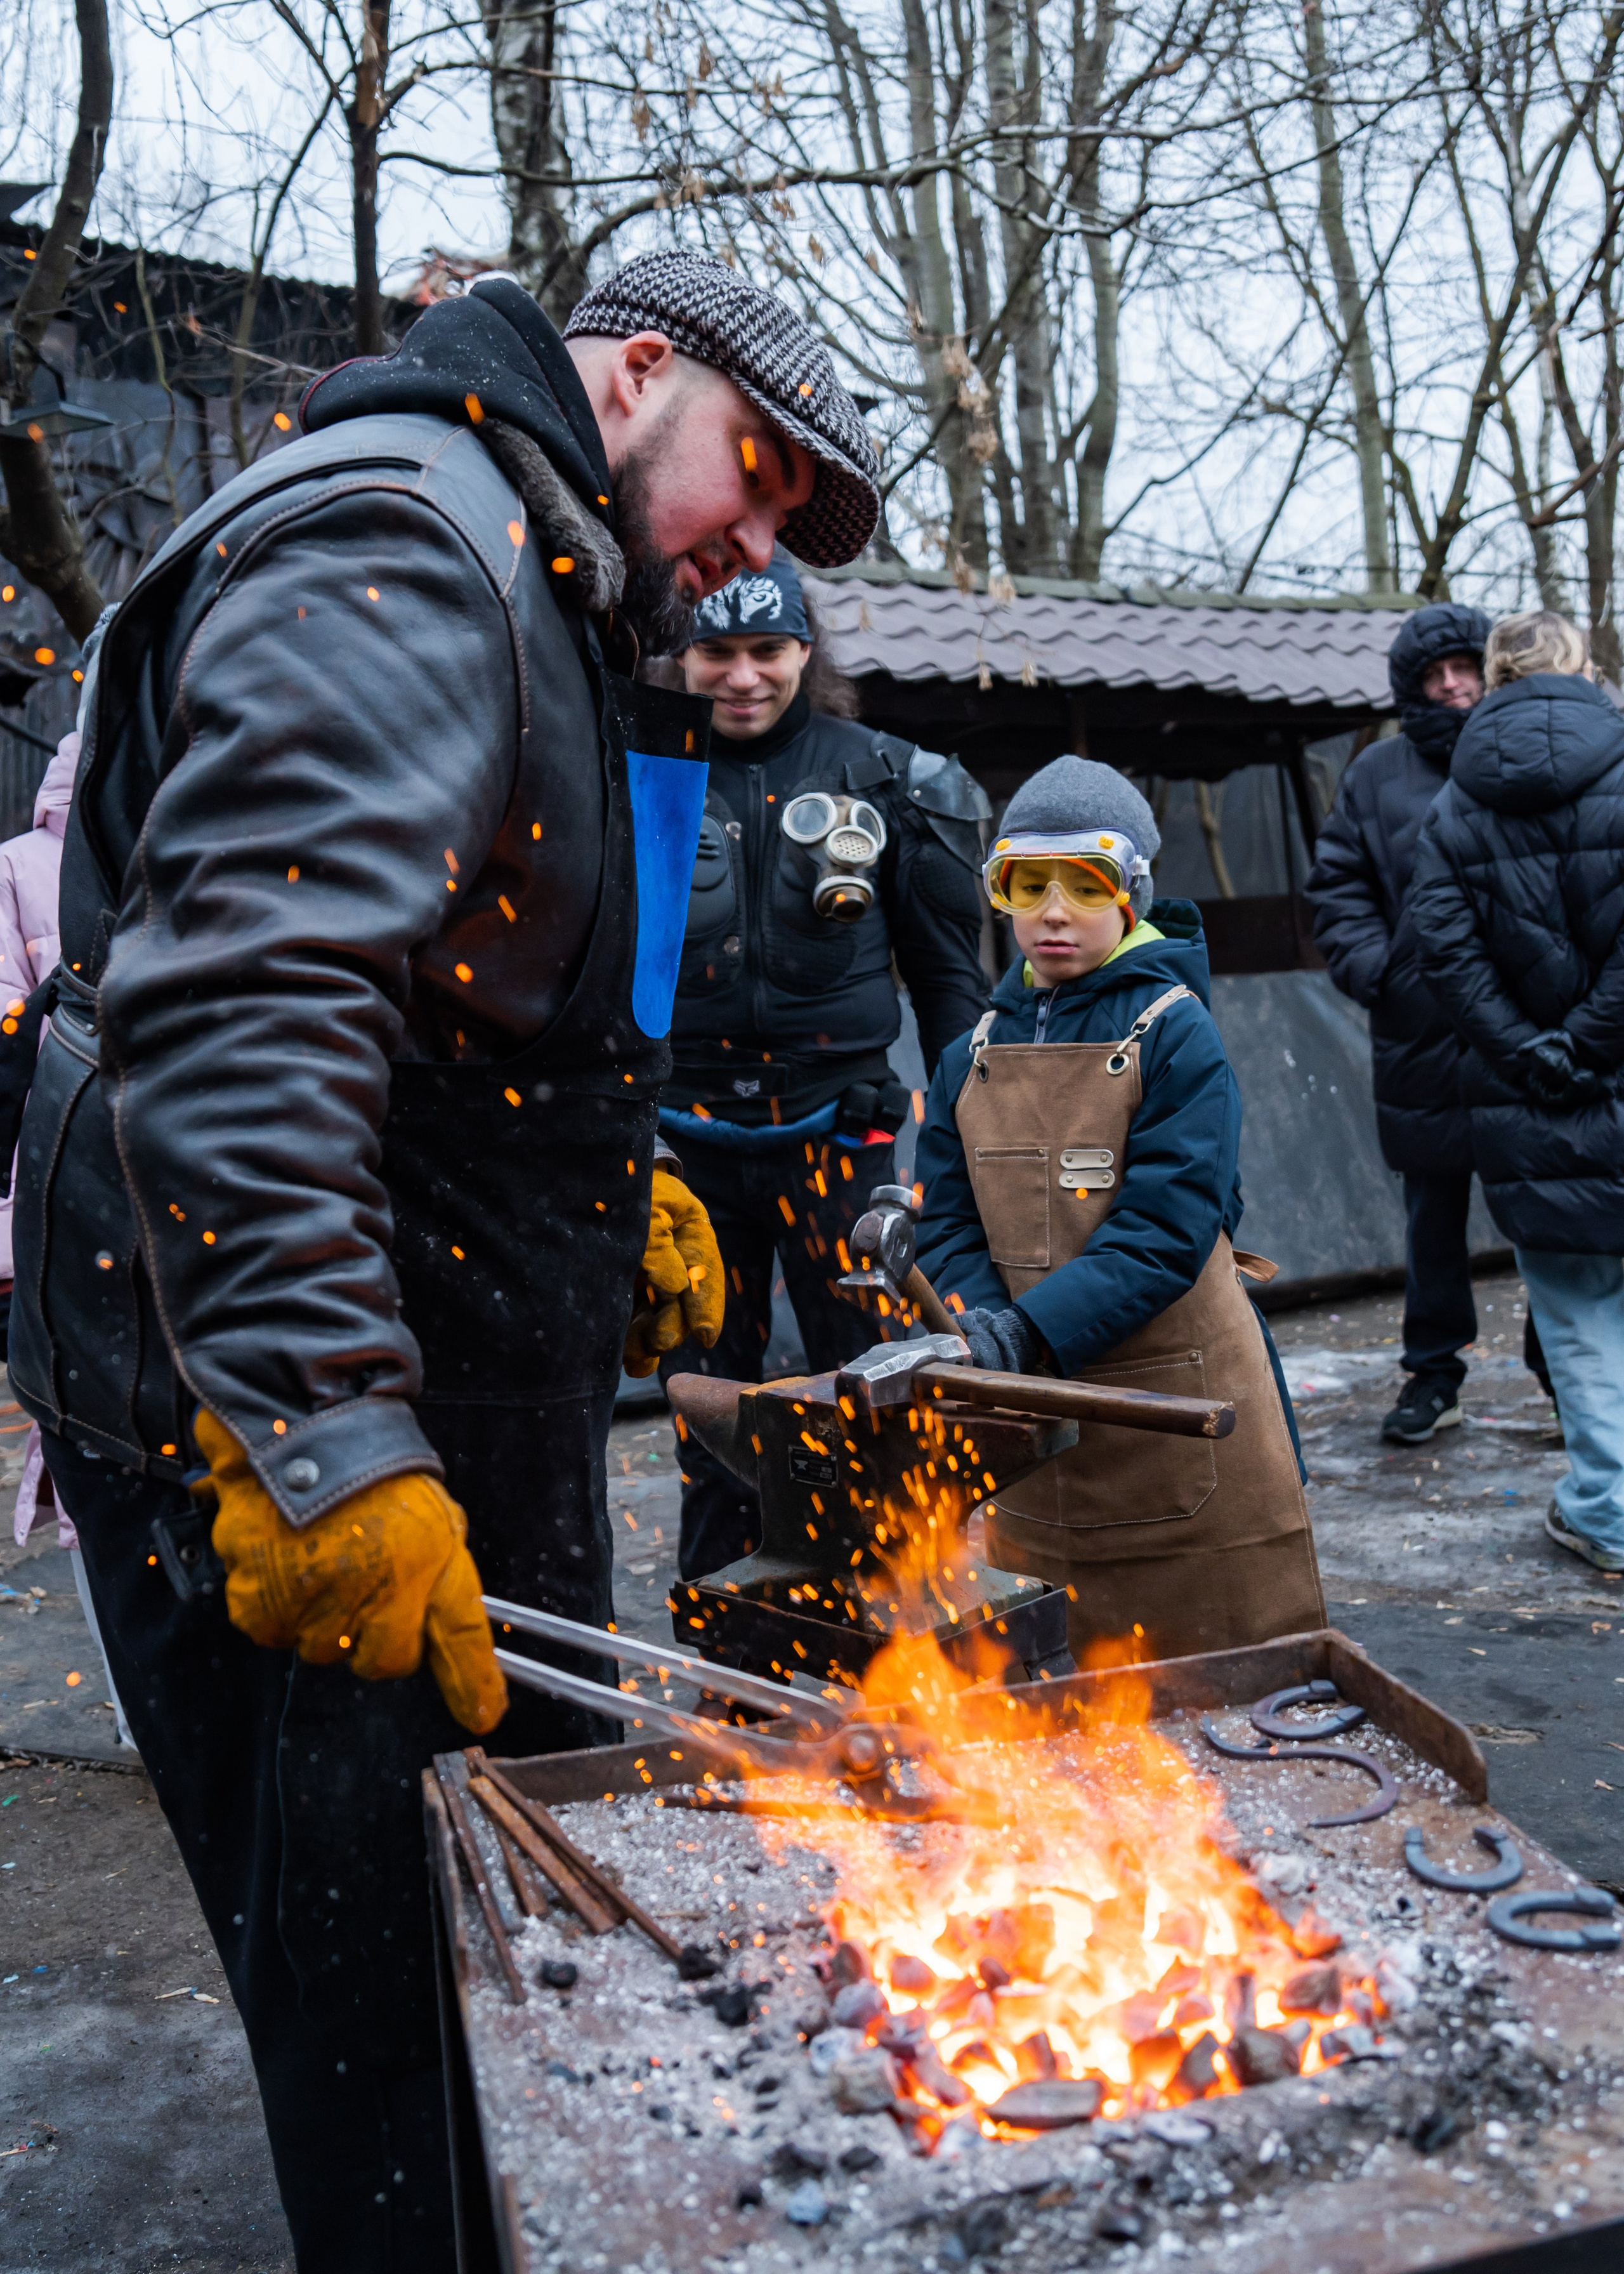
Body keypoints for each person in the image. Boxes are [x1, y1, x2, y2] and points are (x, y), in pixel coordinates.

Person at [6, 251, 880, 2269]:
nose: (752, 545)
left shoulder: (542, 556)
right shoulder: (411, 536)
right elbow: (248, 996)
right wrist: (323, 1438)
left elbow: (469, 979)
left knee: (507, 1973)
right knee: (390, 2019)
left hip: (452, 1376)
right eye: (754, 478)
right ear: (640, 368)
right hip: (298, 1445)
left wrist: (607, 1179)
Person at [914, 755, 1325, 1663]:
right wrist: (984, 1324)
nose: (1053, 911)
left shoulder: (1179, 1032)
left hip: (1175, 1400)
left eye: (1085, 882)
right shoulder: (968, 1054)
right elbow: (946, 1220)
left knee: (1225, 1681)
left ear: (1131, 892)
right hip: (1036, 1413)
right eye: (1027, 882)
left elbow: (1165, 1231)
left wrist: (1021, 1338)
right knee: (1068, 1694)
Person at [653, 545, 990, 1581]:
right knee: (705, 1403)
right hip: (686, 1151)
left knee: (876, 1395)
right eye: (717, 650)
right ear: (683, 654)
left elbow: (951, 986)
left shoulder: (890, 778)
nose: (743, 675)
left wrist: (973, 1147)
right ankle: (722, 1643)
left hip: (848, 1143)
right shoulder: (636, 775)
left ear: (806, 647)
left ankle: (899, 1639)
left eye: (767, 648)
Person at [1410, 608, 1624, 1579]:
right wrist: (1593, 1039)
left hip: (1524, 1101)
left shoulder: (1454, 806)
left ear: (1490, 679)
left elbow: (1445, 955)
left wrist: (1536, 1051)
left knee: (1576, 1320)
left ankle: (1609, 1511)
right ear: (1584, 667)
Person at [1306, 601, 1491, 1444]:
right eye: (1435, 674)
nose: (1453, 686)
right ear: (1412, 685)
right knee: (1431, 1215)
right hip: (1420, 1034)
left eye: (1466, 668)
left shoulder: (1523, 754)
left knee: (1551, 1215)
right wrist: (1380, 973)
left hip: (1527, 1034)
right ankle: (1434, 1374)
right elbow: (1337, 886)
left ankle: (1570, 1381)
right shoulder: (1378, 773)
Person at [0, 720, 134, 1747]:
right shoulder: (18, 874)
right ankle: (142, 1704)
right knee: (93, 1459)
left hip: (192, 1209)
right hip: (65, 1200)